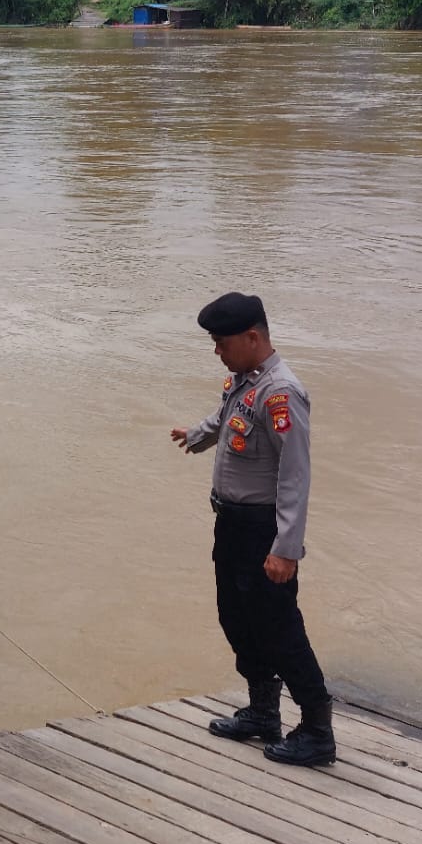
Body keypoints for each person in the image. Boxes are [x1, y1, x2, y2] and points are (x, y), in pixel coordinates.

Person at [170, 291, 334, 766]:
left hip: (264, 531)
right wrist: (196, 436)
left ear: (252, 336)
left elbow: (295, 476)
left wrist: (286, 548)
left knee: (279, 628)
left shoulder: (281, 393)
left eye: (221, 341)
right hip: (233, 526)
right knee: (236, 619)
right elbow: (227, 417)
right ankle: (264, 711)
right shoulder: (246, 381)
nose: (216, 350)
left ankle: (317, 729)